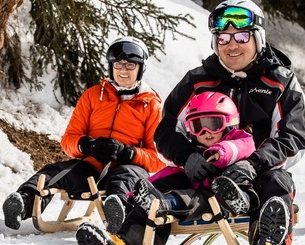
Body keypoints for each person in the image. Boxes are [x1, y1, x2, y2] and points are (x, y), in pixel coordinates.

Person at [76, 0, 305, 245]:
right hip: (199, 175)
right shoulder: (197, 80)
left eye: (241, 36)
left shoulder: (280, 82)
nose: (232, 45)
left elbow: (292, 138)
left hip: (252, 177)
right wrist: (187, 157)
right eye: (222, 38)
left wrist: (254, 163)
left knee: (277, 183)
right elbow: (164, 130)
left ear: (257, 38)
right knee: (161, 188)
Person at [0, 36, 166, 230]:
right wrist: (88, 145)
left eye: (130, 65)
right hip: (91, 168)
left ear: (141, 68)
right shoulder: (93, 96)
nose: (123, 70)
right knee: (57, 171)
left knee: (125, 177)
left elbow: (159, 158)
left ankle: (117, 210)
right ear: (111, 66)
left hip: (129, 168)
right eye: (118, 64)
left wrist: (128, 152)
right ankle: (23, 202)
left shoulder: (152, 105)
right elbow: (68, 140)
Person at [99, 91, 256, 228]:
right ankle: (131, 203)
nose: (205, 131)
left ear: (230, 122)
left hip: (221, 198)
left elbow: (242, 147)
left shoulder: (240, 139)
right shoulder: (195, 151)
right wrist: (135, 194)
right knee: (173, 175)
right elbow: (167, 174)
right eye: (197, 126)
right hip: (199, 194)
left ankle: (237, 199)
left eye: (213, 124)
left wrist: (220, 153)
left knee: (193, 199)